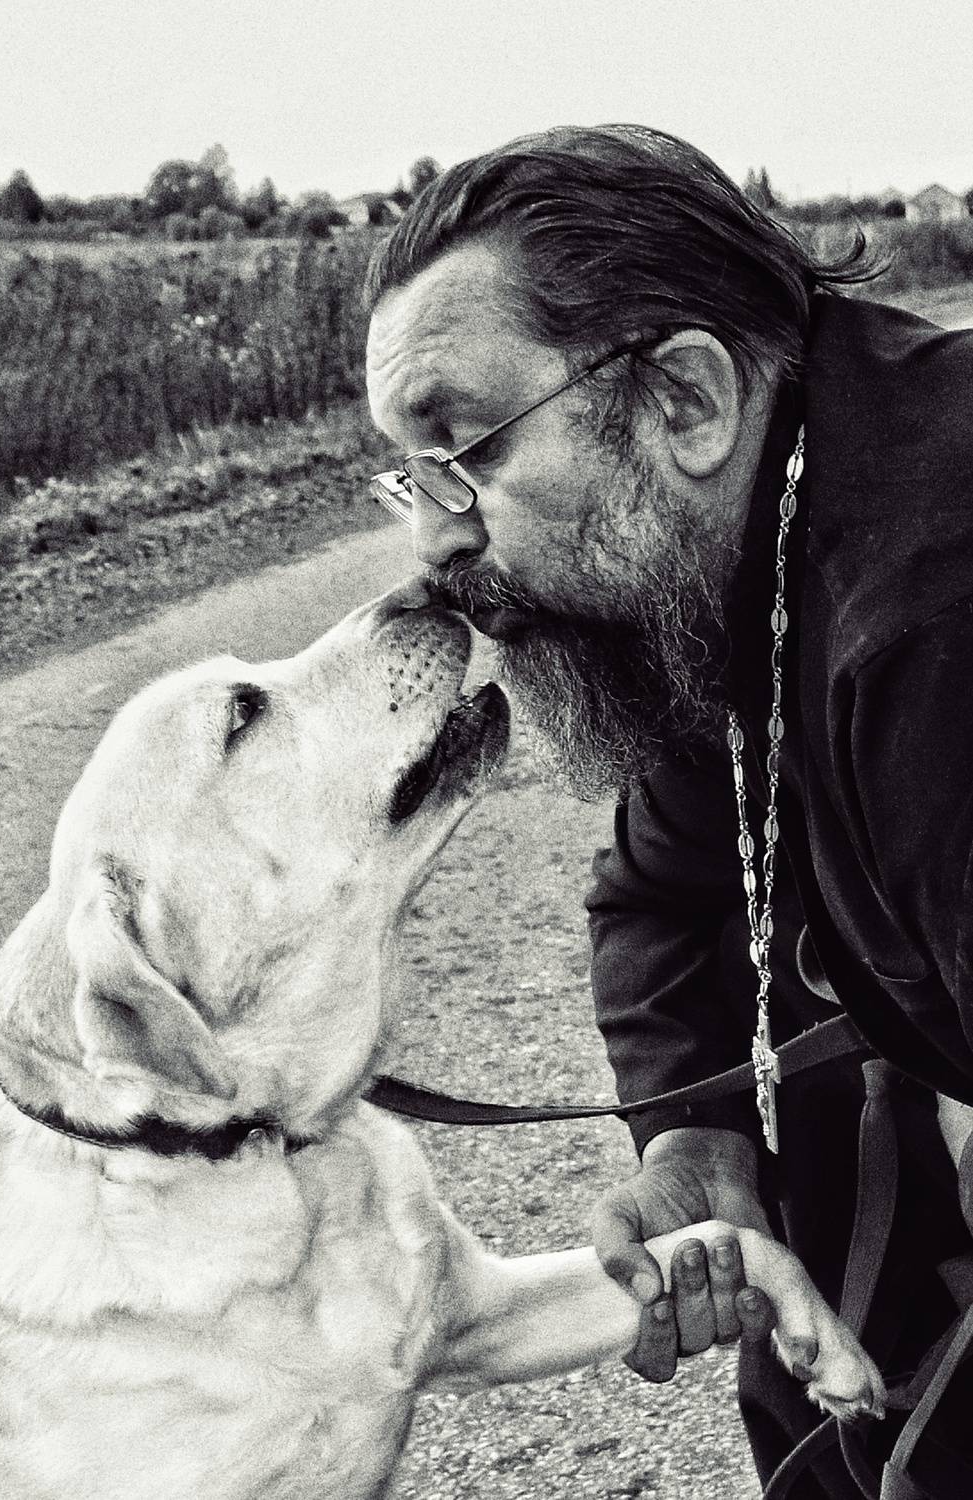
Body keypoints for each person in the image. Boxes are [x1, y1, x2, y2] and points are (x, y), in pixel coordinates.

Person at [362, 123, 973, 1497]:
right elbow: (664, 891)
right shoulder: (736, 546)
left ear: (685, 400)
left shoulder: (939, 612)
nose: (433, 539)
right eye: (409, 473)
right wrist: (700, 1137)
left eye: (463, 450)